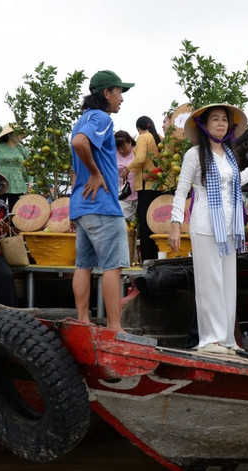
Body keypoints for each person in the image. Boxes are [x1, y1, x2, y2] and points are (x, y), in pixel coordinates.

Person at [168, 103, 248, 354]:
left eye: (224, 120)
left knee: (228, 282)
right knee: (210, 283)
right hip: (205, 225)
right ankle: (210, 339)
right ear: (204, 126)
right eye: (215, 119)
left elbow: (238, 181)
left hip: (229, 228)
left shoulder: (228, 155)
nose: (220, 123)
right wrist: (175, 223)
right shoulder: (194, 154)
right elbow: (182, 189)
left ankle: (227, 339)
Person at [70, 70, 134, 332]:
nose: (121, 98)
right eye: (119, 92)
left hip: (82, 204)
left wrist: (72, 207)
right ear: (107, 93)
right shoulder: (101, 118)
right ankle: (114, 327)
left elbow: (75, 167)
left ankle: (83, 321)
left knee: (83, 265)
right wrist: (96, 173)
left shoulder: (82, 118)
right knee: (112, 266)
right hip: (102, 205)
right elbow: (79, 142)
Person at [124, 116, 163, 261]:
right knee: (157, 221)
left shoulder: (142, 138)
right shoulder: (159, 137)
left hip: (146, 186)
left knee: (145, 223)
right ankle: (159, 255)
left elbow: (140, 158)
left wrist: (127, 169)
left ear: (138, 128)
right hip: (158, 186)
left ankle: (148, 258)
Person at [0, 123, 28, 212]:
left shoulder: (23, 149)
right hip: (0, 182)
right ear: (10, 134)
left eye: (22, 133)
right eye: (18, 133)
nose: (21, 135)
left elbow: (30, 166)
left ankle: (12, 226)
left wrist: (31, 183)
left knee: (15, 212)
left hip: (18, 184)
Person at [114, 130, 138, 220]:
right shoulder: (115, 153)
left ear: (130, 142)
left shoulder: (137, 150)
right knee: (122, 218)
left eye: (123, 147)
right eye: (118, 148)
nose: (121, 150)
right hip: (123, 193)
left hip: (138, 191)